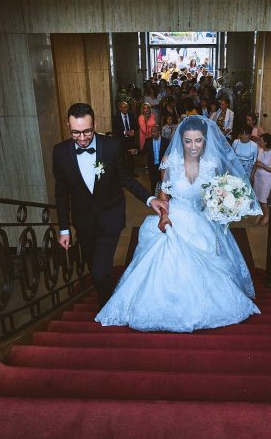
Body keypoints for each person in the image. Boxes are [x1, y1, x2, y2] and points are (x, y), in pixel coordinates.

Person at [96, 116, 261, 332]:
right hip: (176, 215)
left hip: (203, 220)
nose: (193, 146)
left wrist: (224, 203)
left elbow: (218, 191)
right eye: (188, 141)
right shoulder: (170, 161)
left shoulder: (212, 164)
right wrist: (164, 216)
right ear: (181, 140)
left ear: (205, 141)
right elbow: (164, 191)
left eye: (198, 141)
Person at [54, 103, 168, 307]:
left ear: (95, 124)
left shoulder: (112, 146)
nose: (82, 138)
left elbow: (127, 179)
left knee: (100, 270)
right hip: (84, 222)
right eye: (75, 133)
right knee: (93, 265)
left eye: (87, 131)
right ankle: (105, 291)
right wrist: (64, 228)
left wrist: (151, 200)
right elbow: (61, 194)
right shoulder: (60, 153)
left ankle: (107, 306)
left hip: (110, 217)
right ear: (67, 127)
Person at [253, 133, 271, 226]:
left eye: (261, 141)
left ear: (266, 143)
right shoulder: (260, 150)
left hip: (266, 179)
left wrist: (262, 166)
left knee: (263, 199)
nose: (259, 142)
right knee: (258, 197)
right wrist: (253, 174)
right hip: (258, 177)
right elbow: (257, 163)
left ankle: (267, 215)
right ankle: (260, 213)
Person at [112, 100, 140, 175]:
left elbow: (136, 126)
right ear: (120, 108)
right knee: (122, 158)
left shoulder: (131, 114)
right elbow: (115, 131)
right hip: (121, 140)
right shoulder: (116, 117)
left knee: (131, 156)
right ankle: (123, 174)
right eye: (123, 107)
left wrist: (133, 131)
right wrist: (125, 132)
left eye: (126, 107)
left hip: (131, 139)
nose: (125, 109)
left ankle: (131, 173)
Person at [140, 124, 170, 195]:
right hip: (152, 166)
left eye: (154, 132)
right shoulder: (148, 141)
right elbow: (143, 152)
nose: (152, 134)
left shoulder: (165, 141)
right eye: (151, 132)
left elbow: (169, 154)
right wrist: (137, 152)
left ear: (159, 132)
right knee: (153, 183)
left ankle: (163, 196)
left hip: (162, 167)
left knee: (163, 183)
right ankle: (154, 196)